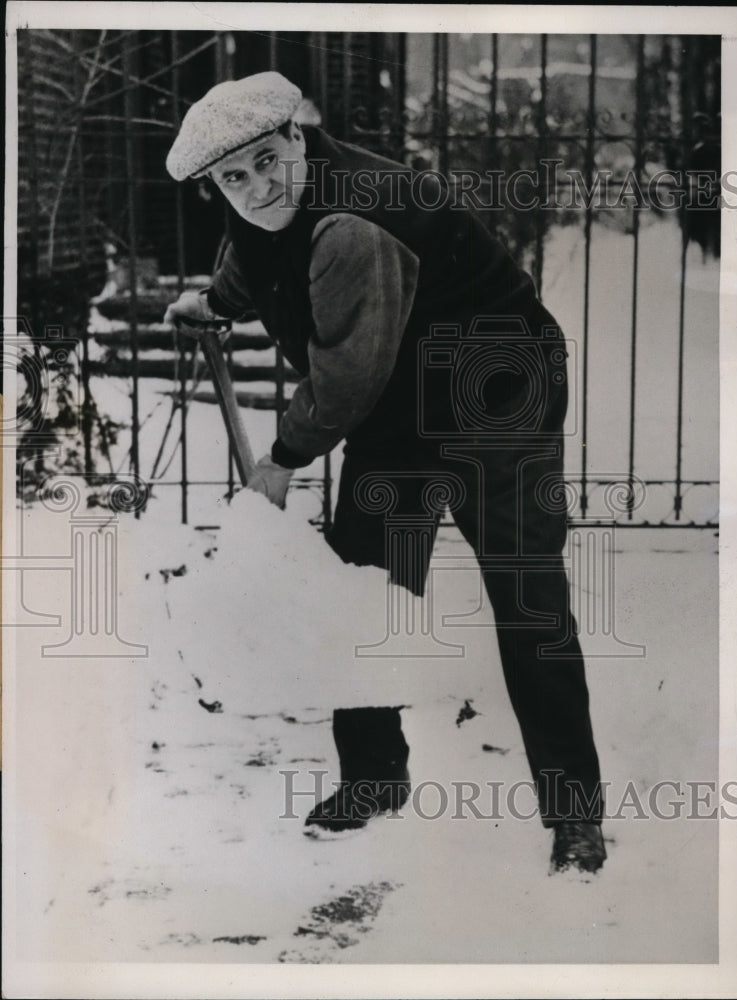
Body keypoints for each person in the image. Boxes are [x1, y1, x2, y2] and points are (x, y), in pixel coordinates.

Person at [164, 71, 606, 874]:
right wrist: (215, 303)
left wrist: (282, 459)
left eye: (267, 160)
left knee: (526, 597)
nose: (257, 186)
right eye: (233, 177)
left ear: (297, 136)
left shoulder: (351, 221)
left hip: (496, 392)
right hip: (403, 400)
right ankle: (374, 778)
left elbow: (345, 377)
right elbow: (253, 255)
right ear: (214, 186)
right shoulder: (268, 205)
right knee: (360, 586)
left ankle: (575, 816)